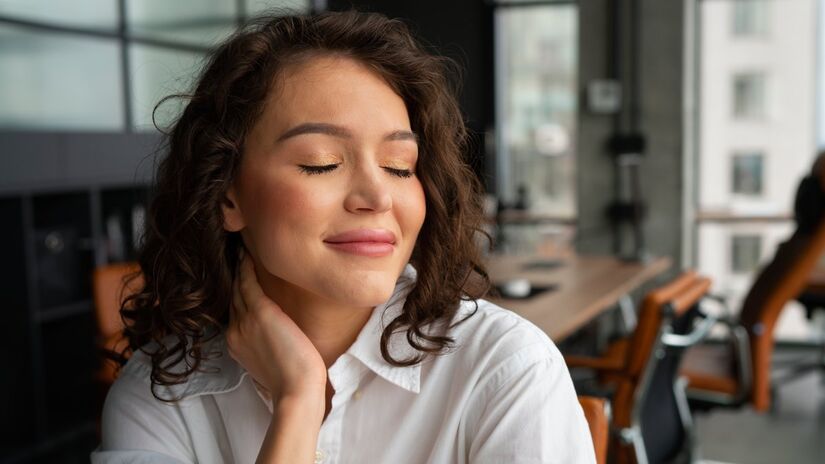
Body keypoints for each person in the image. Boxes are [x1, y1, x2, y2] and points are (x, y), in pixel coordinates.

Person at [91, 10, 594, 464]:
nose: (377, 196)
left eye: (400, 167)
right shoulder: (161, 395)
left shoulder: (504, 369)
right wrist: (298, 402)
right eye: (321, 163)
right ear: (227, 196)